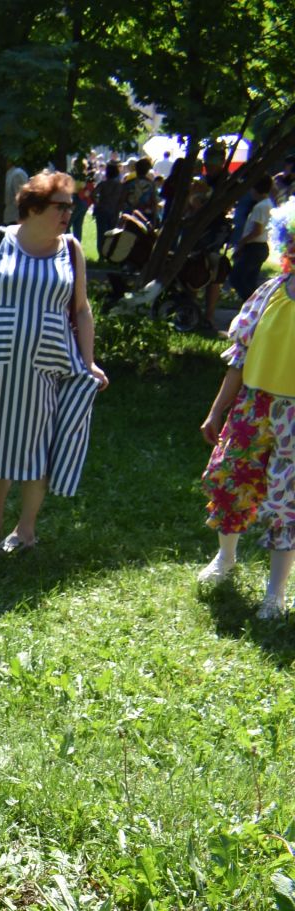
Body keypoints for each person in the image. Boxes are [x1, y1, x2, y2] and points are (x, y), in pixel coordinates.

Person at [0, 171, 108, 553]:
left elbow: (81, 310)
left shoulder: (72, 249)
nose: (69, 213)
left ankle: (26, 530)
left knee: (38, 446)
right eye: (60, 206)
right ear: (32, 208)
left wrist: (90, 360)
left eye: (71, 206)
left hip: (46, 369)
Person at [196, 200, 295, 618]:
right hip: (253, 406)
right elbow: (240, 356)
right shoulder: (270, 292)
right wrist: (218, 410)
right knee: (231, 478)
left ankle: (275, 592)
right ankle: (226, 557)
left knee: (286, 499)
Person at [231, 175, 277, 300]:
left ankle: (252, 305)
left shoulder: (260, 207)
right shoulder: (268, 204)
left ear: (256, 189)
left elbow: (257, 230)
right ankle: (252, 310)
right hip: (260, 247)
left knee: (236, 278)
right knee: (250, 281)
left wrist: (242, 242)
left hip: (254, 247)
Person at [92, 160, 123, 256]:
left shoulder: (103, 184)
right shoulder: (120, 186)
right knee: (112, 234)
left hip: (102, 210)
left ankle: (101, 254)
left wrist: (97, 203)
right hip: (114, 211)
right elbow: (121, 201)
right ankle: (110, 254)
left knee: (101, 233)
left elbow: (93, 194)